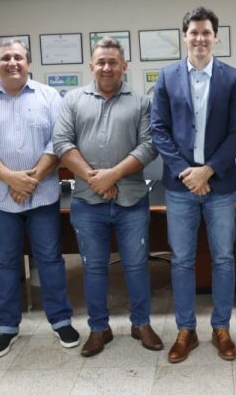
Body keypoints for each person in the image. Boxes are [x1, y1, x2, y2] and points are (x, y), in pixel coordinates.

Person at [0, 39, 79, 358]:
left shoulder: (49, 96)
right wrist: (12, 179)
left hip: (43, 196)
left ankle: (60, 320)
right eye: (5, 57)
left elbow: (58, 142)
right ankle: (7, 326)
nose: (12, 62)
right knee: (5, 262)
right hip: (2, 199)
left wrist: (30, 181)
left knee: (50, 259)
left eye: (18, 57)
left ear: (28, 63)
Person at [52, 38, 163, 357]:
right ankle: (99, 328)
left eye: (113, 62)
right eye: (100, 62)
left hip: (131, 199)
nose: (106, 67)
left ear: (124, 66)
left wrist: (111, 176)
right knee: (93, 267)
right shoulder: (73, 100)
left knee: (137, 265)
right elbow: (62, 144)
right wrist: (95, 179)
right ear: (91, 66)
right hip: (87, 201)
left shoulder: (141, 102)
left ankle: (141, 323)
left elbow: (149, 146)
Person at [151, 6, 236, 363]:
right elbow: (159, 130)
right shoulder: (166, 77)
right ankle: (186, 330)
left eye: (206, 32)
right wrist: (186, 172)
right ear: (184, 36)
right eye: (194, 32)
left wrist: (207, 171)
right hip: (180, 188)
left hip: (219, 185)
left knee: (223, 258)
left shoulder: (232, 78)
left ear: (215, 37)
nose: (200, 38)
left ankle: (221, 328)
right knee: (181, 260)